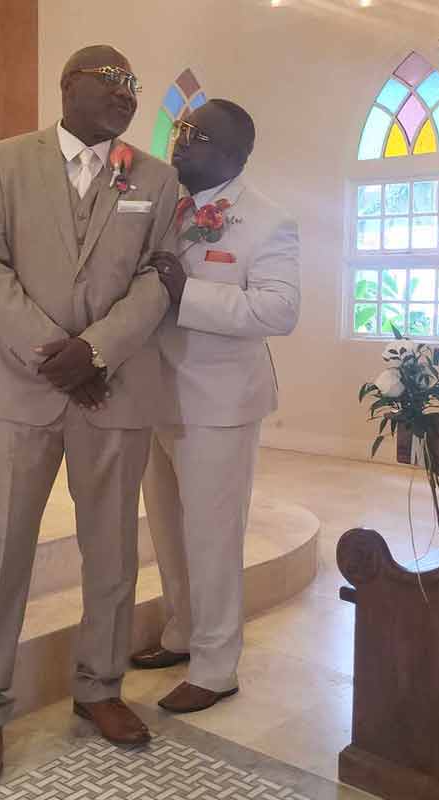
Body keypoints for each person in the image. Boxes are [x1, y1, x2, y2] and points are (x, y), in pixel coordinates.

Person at [0, 44, 178, 775]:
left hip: (112, 391)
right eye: (112, 79)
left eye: (134, 83)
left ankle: (99, 687)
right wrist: (57, 351)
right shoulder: (6, 161)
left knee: (111, 551)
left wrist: (100, 350)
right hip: (25, 389)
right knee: (3, 549)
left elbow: (159, 275)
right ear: (68, 84)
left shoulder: (155, 176)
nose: (127, 92)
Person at [132, 99, 300, 713]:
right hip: (155, 394)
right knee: (169, 532)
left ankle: (216, 666)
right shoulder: (161, 207)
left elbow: (278, 311)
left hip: (220, 405)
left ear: (234, 153)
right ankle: (180, 633)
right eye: (181, 129)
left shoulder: (268, 221)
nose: (180, 142)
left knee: (212, 539)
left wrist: (189, 293)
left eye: (196, 135)